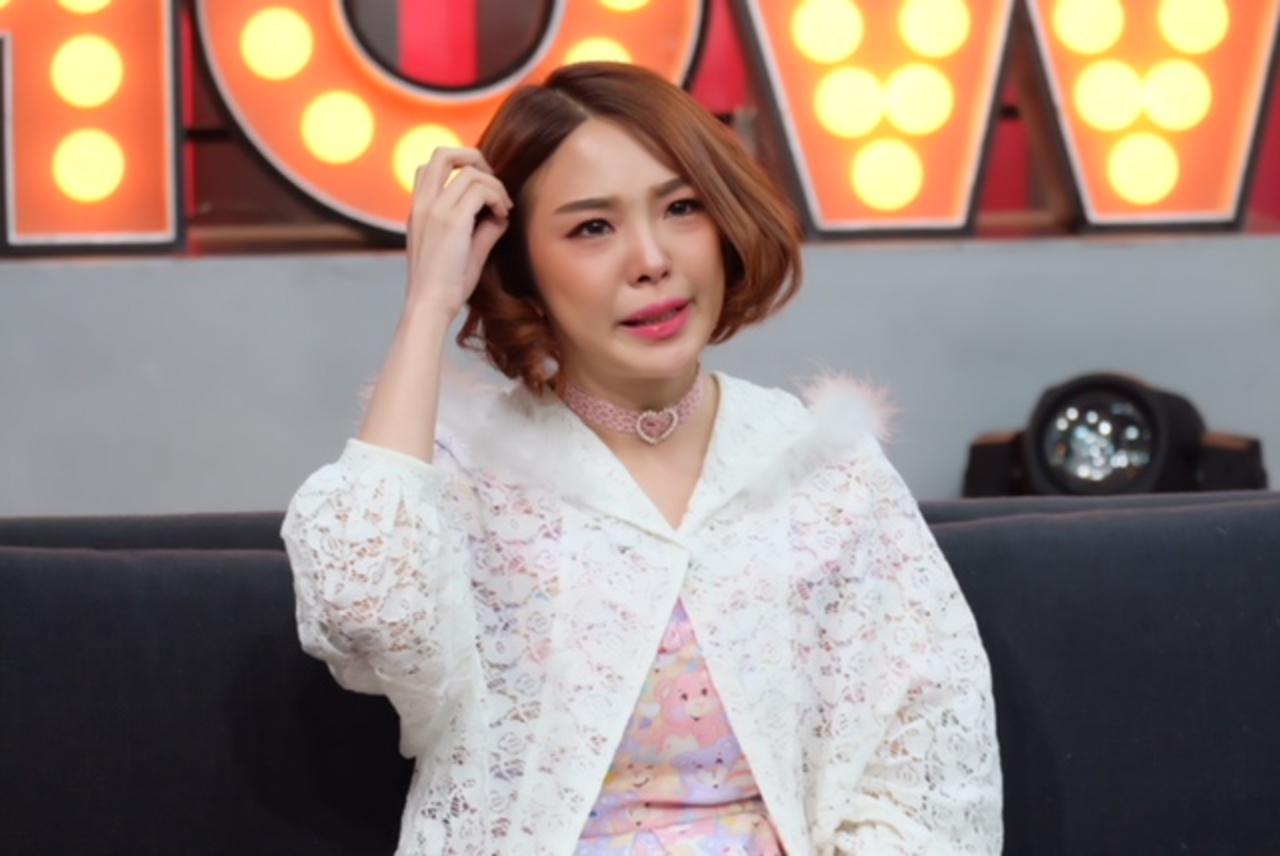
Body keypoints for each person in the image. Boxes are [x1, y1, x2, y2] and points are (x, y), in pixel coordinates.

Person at [281, 62, 1003, 855]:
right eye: (592, 228)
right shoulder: (465, 476)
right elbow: (363, 610)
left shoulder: (822, 469)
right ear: (520, 267)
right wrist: (427, 304)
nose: (651, 259)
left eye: (682, 207)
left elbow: (932, 772)